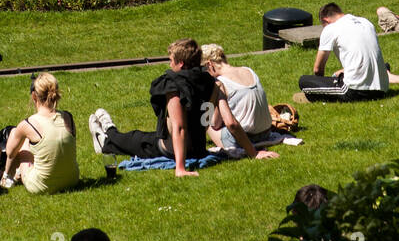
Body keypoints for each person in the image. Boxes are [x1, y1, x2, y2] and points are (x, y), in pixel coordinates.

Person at [88, 39, 277, 176]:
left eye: (171, 60)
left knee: (135, 139)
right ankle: (107, 133)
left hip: (171, 149)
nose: (169, 64)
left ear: (180, 63)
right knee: (143, 137)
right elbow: (227, 123)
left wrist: (180, 168)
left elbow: (179, 128)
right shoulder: (213, 83)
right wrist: (254, 152)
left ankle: (106, 138)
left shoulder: (173, 85)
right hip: (199, 148)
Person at [1, 73, 78, 194]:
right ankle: (16, 175)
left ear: (34, 96)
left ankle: (7, 177)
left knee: (18, 135)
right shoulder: (68, 117)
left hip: (42, 186)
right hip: (72, 180)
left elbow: (10, 153)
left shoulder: (29, 123)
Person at [297, 3, 389, 102]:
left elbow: (318, 69)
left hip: (355, 91)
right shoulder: (366, 22)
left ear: (325, 20)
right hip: (381, 89)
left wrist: (320, 83)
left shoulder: (330, 28)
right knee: (339, 75)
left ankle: (317, 96)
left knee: (304, 81)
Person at [200, 44, 274, 152]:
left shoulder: (221, 83)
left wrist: (208, 101)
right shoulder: (248, 70)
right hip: (266, 132)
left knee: (204, 117)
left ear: (209, 64)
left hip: (243, 139)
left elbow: (215, 123)